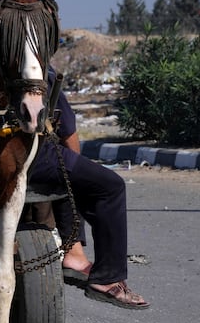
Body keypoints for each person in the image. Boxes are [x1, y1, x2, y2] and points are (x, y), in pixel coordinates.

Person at [29, 71, 150, 309]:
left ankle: (74, 253)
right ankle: (104, 276)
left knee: (67, 170)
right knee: (108, 186)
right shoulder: (37, 68)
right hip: (28, 157)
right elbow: (67, 133)